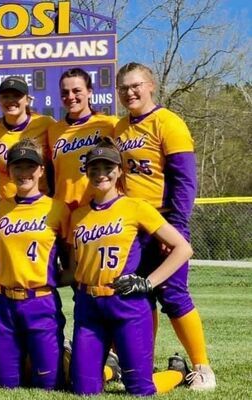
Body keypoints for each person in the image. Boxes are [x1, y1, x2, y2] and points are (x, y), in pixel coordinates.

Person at [114, 62, 216, 390]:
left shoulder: (168, 122)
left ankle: (202, 367)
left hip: (164, 221)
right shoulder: (119, 129)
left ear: (151, 86)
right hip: (134, 226)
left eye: (136, 85)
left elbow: (184, 181)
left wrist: (174, 226)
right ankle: (144, 364)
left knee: (172, 294)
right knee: (138, 295)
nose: (130, 92)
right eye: (123, 88)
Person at [67, 137, 194, 396]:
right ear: (86, 172)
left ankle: (178, 372)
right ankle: (111, 368)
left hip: (127, 304)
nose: (101, 174)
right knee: (83, 390)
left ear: (119, 171)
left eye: (108, 168)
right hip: (89, 307)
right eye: (94, 168)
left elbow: (183, 248)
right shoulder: (78, 215)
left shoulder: (135, 207)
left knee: (139, 389)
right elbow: (73, 267)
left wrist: (148, 282)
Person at [0, 138, 69, 390]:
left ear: (41, 170)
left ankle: (83, 361)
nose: (24, 172)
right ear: (9, 170)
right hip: (4, 303)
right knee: (4, 384)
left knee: (49, 384)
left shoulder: (57, 209)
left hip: (41, 302)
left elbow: (73, 261)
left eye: (30, 166)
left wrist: (52, 279)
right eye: (18, 166)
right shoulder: (0, 209)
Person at [48, 68, 118, 210]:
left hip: (101, 207)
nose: (70, 96)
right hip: (64, 209)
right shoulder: (53, 130)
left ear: (89, 92)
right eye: (65, 92)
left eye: (77, 91)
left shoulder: (110, 124)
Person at [0, 76, 55, 201]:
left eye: (17, 95)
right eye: (5, 96)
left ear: (27, 100)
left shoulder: (46, 124)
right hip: (7, 205)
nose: (11, 100)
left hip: (41, 202)